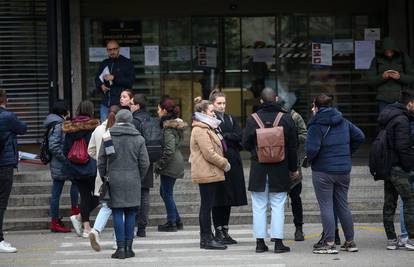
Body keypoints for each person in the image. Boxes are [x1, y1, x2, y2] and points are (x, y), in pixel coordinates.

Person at [305, 94, 365, 254]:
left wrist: (309, 159)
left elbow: (311, 149)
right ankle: (350, 242)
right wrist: (347, 153)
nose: (312, 109)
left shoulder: (316, 125)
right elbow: (360, 136)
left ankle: (329, 243)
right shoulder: (343, 121)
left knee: (326, 206)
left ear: (317, 108)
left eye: (313, 106)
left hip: (323, 171)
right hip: (343, 170)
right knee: (343, 205)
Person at [242, 88, 299, 254]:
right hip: (280, 168)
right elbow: (293, 147)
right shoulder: (286, 118)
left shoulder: (252, 119)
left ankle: (260, 243)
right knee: (278, 205)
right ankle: (278, 243)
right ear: (277, 99)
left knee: (259, 206)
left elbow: (245, 143)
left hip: (259, 168)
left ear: (260, 101)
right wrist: (293, 169)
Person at [98, 109, 150, 259]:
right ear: (130, 121)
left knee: (117, 213)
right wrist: (138, 176)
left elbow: (101, 161)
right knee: (131, 213)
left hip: (114, 179)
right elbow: (145, 163)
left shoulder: (108, 137)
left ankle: (120, 249)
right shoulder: (138, 139)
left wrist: (104, 177)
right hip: (133, 179)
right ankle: (129, 248)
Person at [190, 97, 230, 250]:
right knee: (206, 206)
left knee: (207, 205)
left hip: (210, 171)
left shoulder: (207, 127)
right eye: (211, 111)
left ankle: (207, 237)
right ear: (202, 113)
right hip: (207, 172)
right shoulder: (200, 129)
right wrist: (224, 163)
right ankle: (206, 239)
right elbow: (209, 153)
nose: (214, 114)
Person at [209, 90, 247, 245]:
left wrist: (227, 136)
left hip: (233, 162)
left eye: (224, 103)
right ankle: (218, 229)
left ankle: (225, 229)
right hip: (218, 162)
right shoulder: (209, 120)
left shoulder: (231, 118)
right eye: (219, 103)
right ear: (212, 104)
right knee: (218, 198)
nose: (222, 106)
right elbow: (215, 139)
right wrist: (230, 136)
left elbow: (240, 136)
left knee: (229, 197)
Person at [377, 90, 414, 251]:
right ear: (410, 103)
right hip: (398, 167)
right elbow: (403, 146)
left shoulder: (390, 116)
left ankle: (391, 239)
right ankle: (411, 238)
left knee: (389, 203)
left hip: (387, 166)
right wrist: (409, 166)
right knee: (410, 202)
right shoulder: (402, 120)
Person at [64, 100, 100, 238]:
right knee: (97, 196)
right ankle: (85, 226)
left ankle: (80, 219)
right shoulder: (94, 127)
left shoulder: (70, 128)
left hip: (75, 168)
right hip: (91, 167)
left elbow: (65, 149)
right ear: (91, 111)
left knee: (85, 196)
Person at [87, 105, 120, 252]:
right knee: (120, 207)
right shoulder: (119, 132)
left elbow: (91, 150)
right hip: (120, 173)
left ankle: (95, 230)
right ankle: (116, 240)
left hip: (103, 174)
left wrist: (100, 162)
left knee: (106, 205)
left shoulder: (99, 130)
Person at [44, 100, 79, 233]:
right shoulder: (58, 125)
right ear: (63, 111)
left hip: (59, 164)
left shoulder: (53, 122)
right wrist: (65, 159)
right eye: (68, 109)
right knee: (71, 185)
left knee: (57, 193)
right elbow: (54, 146)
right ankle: (73, 214)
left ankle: (57, 220)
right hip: (61, 164)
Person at [276, 96, 307, 241]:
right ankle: (277, 231)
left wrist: (292, 137)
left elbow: (305, 135)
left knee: (296, 198)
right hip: (277, 162)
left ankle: (299, 228)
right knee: (277, 201)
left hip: (293, 162)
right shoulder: (273, 117)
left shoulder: (295, 116)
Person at [0, 89, 27, 253]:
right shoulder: (8, 117)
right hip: (4, 163)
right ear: (5, 100)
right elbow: (23, 128)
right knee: (1, 203)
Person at [155, 98, 187, 232]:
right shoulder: (173, 125)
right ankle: (176, 220)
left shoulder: (168, 128)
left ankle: (171, 222)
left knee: (166, 192)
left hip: (171, 163)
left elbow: (169, 150)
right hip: (175, 161)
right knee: (165, 192)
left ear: (163, 110)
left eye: (158, 109)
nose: (157, 111)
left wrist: (159, 165)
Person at [130, 94, 158, 237]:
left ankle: (134, 225)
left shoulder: (134, 121)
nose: (130, 106)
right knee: (145, 194)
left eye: (131, 104)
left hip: (136, 161)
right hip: (150, 159)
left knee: (135, 194)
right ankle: (142, 228)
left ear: (137, 106)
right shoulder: (152, 119)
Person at [368, 37, 414, 113]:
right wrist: (382, 77)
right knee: (384, 121)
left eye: (391, 51)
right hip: (383, 98)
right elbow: (370, 80)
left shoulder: (403, 57)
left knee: (400, 121)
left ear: (394, 50)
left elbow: (411, 77)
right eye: (386, 51)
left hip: (400, 98)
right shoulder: (376, 59)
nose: (389, 54)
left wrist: (399, 77)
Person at [95, 40, 135, 121]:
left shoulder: (127, 63)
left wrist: (114, 78)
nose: (112, 51)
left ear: (119, 49)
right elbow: (97, 78)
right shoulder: (104, 63)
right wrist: (101, 85)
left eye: (114, 49)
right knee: (104, 129)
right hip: (106, 103)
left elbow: (130, 81)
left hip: (120, 104)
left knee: (121, 128)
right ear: (107, 51)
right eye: (110, 50)